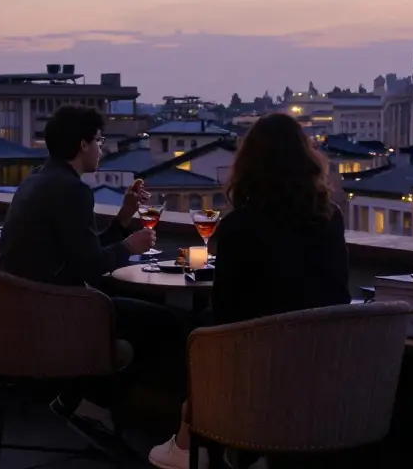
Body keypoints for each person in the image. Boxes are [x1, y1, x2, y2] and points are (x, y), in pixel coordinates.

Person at [148, 112, 352, 469]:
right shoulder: (330, 217)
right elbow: (339, 294)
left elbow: (228, 311)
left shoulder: (240, 225)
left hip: (261, 367)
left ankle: (192, 435)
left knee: (197, 331)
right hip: (322, 364)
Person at [0, 104, 176, 450]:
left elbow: (83, 251)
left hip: (25, 313)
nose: (102, 149)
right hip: (58, 315)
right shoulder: (72, 190)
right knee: (167, 323)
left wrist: (123, 218)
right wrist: (129, 245)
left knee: (140, 312)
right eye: (99, 141)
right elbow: (90, 265)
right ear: (83, 145)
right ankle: (104, 408)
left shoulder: (38, 180)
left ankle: (79, 400)